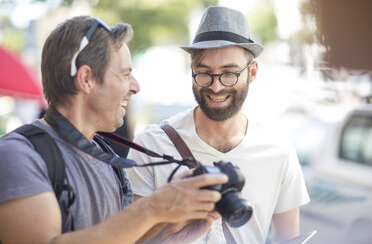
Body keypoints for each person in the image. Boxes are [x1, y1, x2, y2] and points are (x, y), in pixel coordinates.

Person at [0, 16, 229, 244]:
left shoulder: (106, 159)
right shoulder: (19, 156)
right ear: (87, 78)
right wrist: (154, 208)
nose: (136, 87)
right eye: (125, 74)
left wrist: (175, 224)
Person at [126, 6, 310, 244]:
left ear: (252, 72)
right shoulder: (150, 146)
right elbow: (131, 239)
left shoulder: (278, 151)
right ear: (192, 71)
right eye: (204, 73)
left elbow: (289, 238)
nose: (216, 86)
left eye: (229, 73)